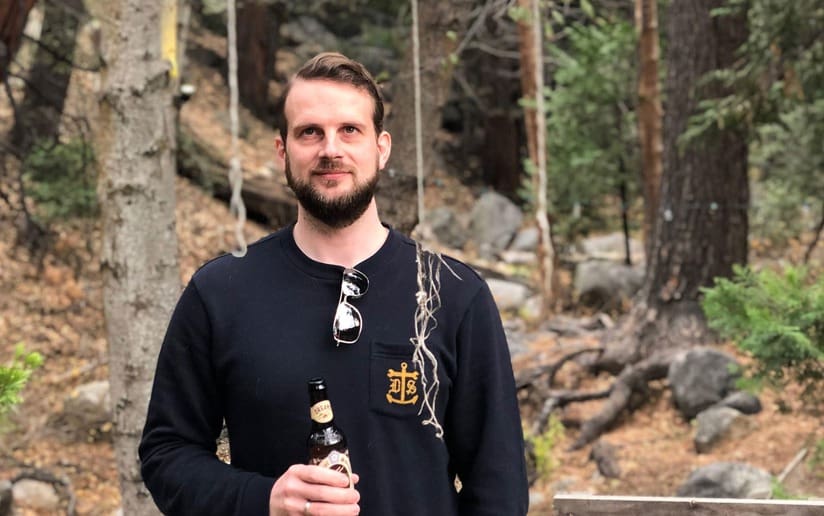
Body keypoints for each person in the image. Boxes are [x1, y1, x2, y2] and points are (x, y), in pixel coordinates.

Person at [139, 52, 528, 516]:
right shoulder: (221, 292)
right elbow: (167, 454)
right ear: (282, 150)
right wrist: (263, 499)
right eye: (310, 132)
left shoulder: (454, 294)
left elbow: (499, 488)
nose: (330, 150)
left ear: (381, 148)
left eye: (350, 130)